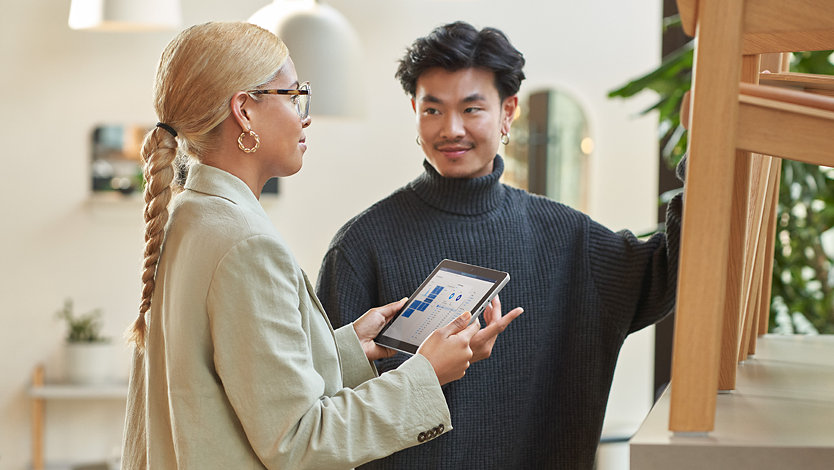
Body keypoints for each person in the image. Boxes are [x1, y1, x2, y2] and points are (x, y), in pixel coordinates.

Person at [120, 21, 518, 470]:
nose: (305, 116)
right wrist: (425, 373)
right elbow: (299, 442)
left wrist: (348, 348)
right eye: (295, 96)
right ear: (244, 111)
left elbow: (238, 384)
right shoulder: (247, 245)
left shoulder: (190, 215)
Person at [317, 21, 683, 469]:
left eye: (471, 109)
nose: (451, 128)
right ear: (414, 110)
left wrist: (708, 143)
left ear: (508, 111)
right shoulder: (361, 247)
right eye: (433, 110)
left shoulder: (570, 238)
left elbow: (677, 266)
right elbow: (323, 407)